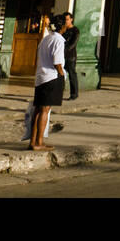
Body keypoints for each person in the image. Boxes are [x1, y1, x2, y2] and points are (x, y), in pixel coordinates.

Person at [31, 13, 69, 151]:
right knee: (45, 111)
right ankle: (39, 142)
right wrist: (61, 74)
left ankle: (32, 141)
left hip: (40, 77)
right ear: (62, 27)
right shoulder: (59, 40)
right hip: (51, 78)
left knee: (37, 110)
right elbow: (57, 62)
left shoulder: (46, 38)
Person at [62, 12, 80, 99]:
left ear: (71, 19)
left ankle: (74, 94)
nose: (66, 21)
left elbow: (73, 44)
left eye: (67, 19)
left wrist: (64, 50)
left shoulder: (75, 30)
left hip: (70, 56)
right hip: (61, 56)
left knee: (72, 75)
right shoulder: (62, 30)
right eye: (64, 20)